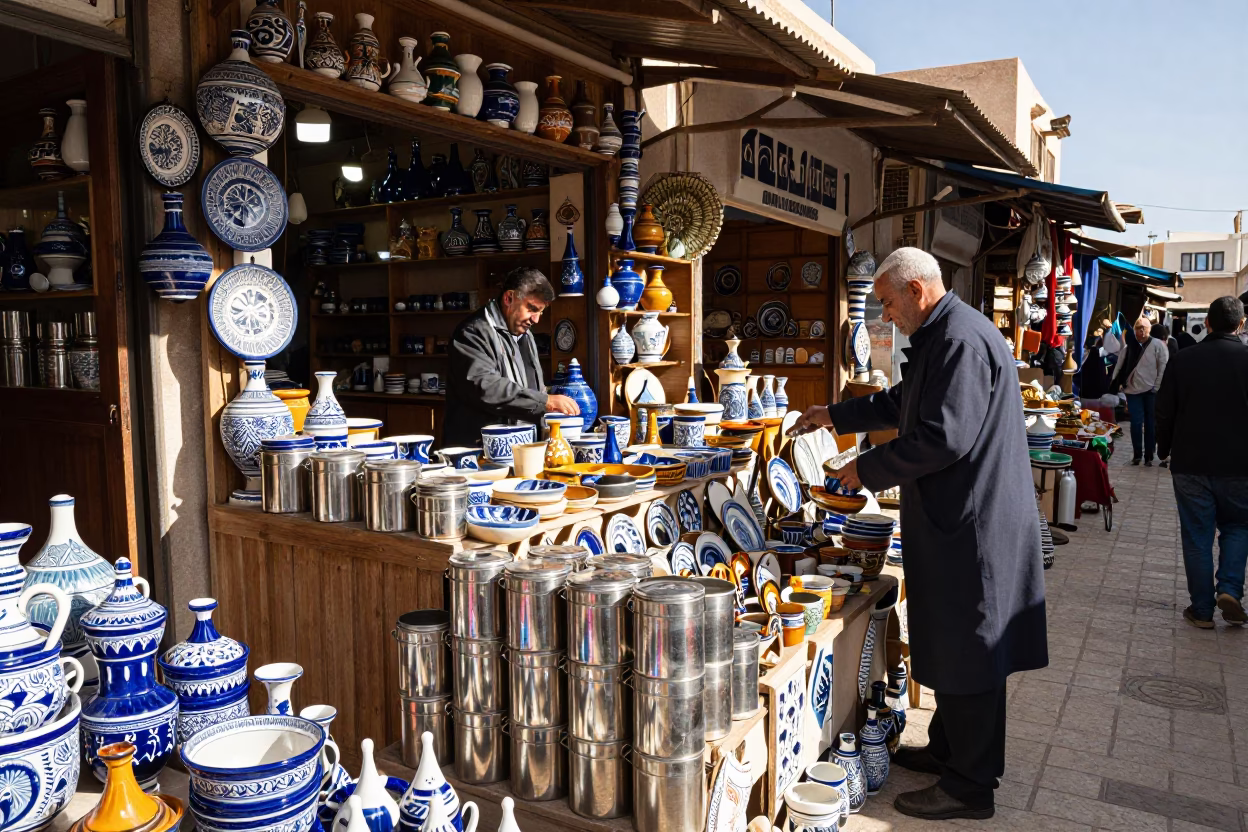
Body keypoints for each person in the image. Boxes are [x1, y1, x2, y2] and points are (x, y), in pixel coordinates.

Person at [789, 248, 1047, 821]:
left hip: (975, 526)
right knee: (957, 643)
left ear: (916, 290)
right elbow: (906, 403)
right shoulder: (945, 333)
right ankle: (950, 752)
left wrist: (867, 470)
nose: (886, 314)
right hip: (961, 519)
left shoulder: (958, 339)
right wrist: (834, 415)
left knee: (974, 649)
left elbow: (943, 437)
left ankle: (970, 786)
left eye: (887, 302)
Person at [1156, 296, 1248, 629]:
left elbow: (1164, 410)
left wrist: (1163, 449)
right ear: (1240, 325)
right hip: (1240, 465)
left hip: (1191, 461)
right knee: (1238, 527)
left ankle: (1203, 609)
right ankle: (1230, 589)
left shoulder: (1184, 360)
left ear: (1207, 323)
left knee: (1197, 535)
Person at [444, 267, 579, 447]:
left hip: (519, 448)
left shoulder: (526, 334)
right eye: (532, 309)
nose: (536, 319)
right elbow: (486, 387)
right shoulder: (473, 332)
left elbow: (533, 388)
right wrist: (545, 401)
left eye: (541, 312)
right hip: (478, 451)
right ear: (509, 298)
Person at [1109, 316, 1169, 465]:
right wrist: (1114, 381)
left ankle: (1149, 455)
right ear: (1134, 330)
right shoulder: (1130, 346)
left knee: (1150, 423)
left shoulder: (1158, 345)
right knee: (1136, 422)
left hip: (1151, 391)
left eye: (1144, 328)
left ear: (1149, 329)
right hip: (1132, 390)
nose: (1141, 331)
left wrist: (1157, 386)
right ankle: (1137, 454)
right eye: (1138, 328)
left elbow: (1163, 366)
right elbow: (1120, 364)